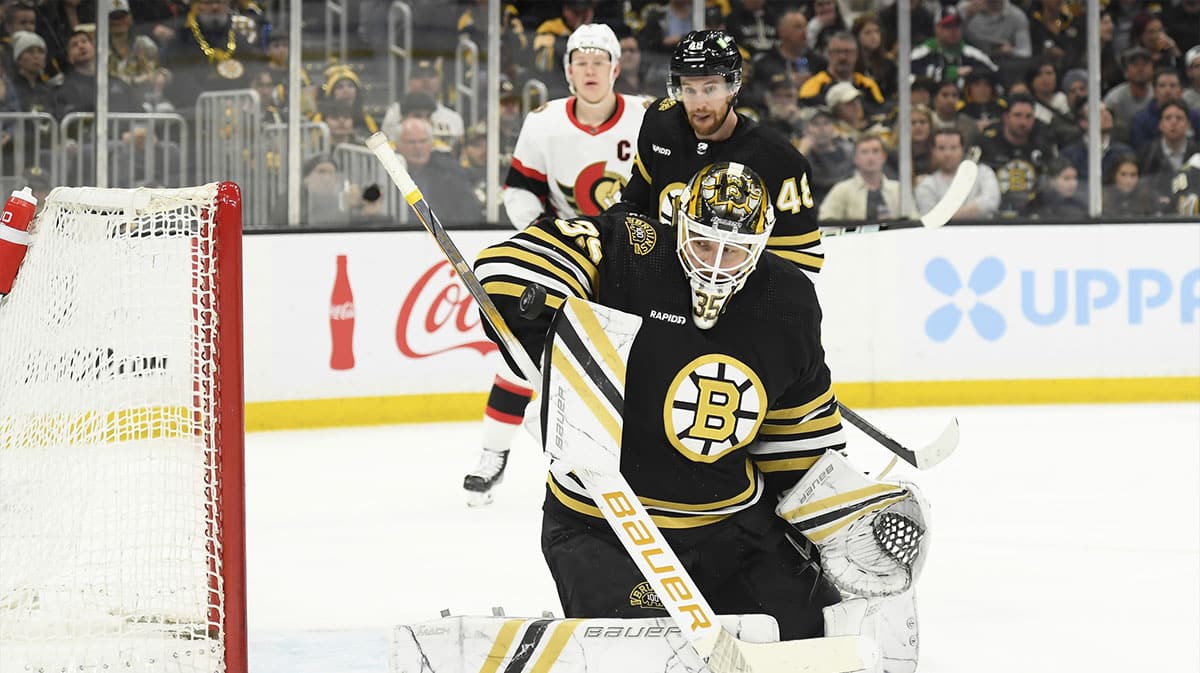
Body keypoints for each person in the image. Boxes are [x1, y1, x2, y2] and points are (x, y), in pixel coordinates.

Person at [472, 161, 845, 640]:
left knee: (820, 638)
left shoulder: (789, 301)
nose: (714, 262)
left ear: (760, 246)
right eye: (705, 242)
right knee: (644, 656)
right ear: (679, 222)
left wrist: (837, 519)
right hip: (603, 525)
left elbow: (799, 441)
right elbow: (510, 264)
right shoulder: (632, 246)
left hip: (731, 530)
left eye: (734, 251)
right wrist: (548, 321)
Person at [462, 23, 647, 505]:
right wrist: (546, 232)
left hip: (632, 253)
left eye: (598, 61)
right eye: (580, 62)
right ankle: (493, 453)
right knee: (525, 351)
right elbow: (520, 189)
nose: (590, 71)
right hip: (565, 253)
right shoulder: (544, 121)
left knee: (637, 359)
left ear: (616, 68)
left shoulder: (648, 117)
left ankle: (630, 461)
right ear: (567, 70)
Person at [618, 29, 824, 277]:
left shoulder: (779, 159)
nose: (699, 104)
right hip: (658, 285)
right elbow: (634, 202)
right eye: (689, 90)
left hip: (734, 297)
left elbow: (803, 261)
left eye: (710, 89)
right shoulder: (660, 122)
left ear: (733, 87)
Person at [969, 94, 1056, 218]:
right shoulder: (985, 143)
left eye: (1028, 116)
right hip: (991, 216)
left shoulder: (1043, 144)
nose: (1023, 122)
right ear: (1006, 117)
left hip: (1034, 216)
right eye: (1017, 115)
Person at [917, 128, 1000, 221]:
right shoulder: (926, 184)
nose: (947, 154)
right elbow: (930, 218)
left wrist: (944, 215)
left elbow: (990, 203)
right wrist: (975, 210)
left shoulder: (983, 172)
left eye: (953, 148)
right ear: (933, 151)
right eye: (941, 148)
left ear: (962, 149)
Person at [818, 133, 903, 222]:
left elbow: (914, 221)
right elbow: (826, 221)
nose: (871, 157)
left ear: (884, 157)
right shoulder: (841, 190)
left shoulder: (898, 189)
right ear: (855, 159)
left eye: (875, 151)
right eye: (864, 152)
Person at [1101, 152, 1157, 217]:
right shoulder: (1103, 198)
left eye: (1133, 175)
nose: (1128, 180)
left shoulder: (1147, 199)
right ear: (1114, 175)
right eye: (1123, 174)